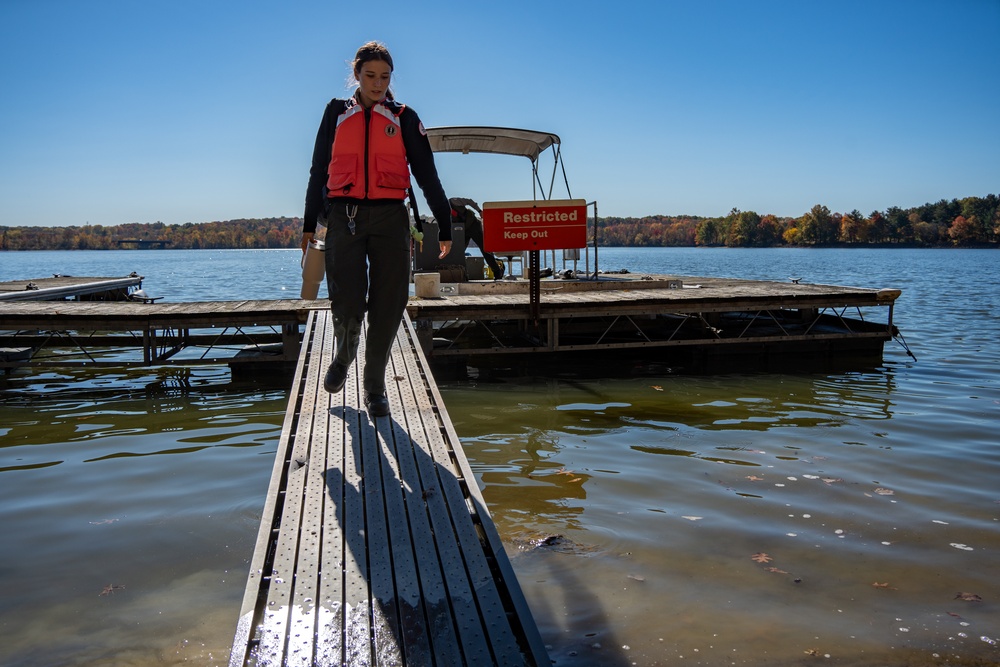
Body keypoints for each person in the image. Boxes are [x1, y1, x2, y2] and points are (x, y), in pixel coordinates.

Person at [301, 41, 453, 417]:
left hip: (390, 218)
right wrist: (308, 223)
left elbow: (427, 175)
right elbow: (318, 168)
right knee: (347, 298)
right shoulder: (336, 113)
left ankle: (374, 386)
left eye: (384, 77)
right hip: (344, 217)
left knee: (389, 304)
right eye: (370, 76)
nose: (377, 84)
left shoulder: (403, 117)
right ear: (356, 75)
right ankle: (344, 353)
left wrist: (445, 223)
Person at [449, 197, 505, 280]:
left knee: (485, 249)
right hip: (463, 230)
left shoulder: (453, 201)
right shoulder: (442, 211)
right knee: (459, 252)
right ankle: (462, 275)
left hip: (473, 225)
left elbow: (470, 202)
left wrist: (479, 211)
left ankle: (497, 272)